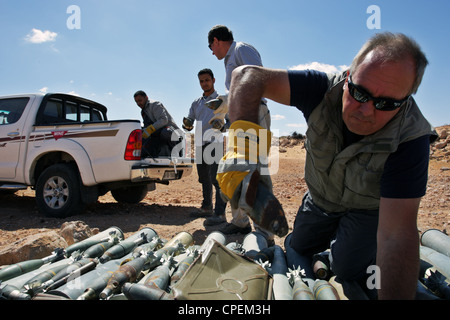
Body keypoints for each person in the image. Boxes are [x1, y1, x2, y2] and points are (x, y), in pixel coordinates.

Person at [218, 32, 437, 299]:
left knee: (347, 269)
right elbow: (246, 76)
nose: (365, 110)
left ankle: (344, 253)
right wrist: (243, 153)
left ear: (405, 102)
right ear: (347, 76)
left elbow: (396, 236)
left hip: (367, 211)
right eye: (359, 93)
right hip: (320, 200)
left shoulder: (411, 137)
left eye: (385, 104)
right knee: (296, 246)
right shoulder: (321, 90)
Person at [206, 25, 272, 239]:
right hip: (239, 117)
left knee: (257, 169)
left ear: (216, 40)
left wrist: (227, 101)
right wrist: (225, 110)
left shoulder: (241, 49)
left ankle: (265, 228)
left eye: (211, 46)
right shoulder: (229, 60)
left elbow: (258, 79)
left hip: (253, 113)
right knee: (236, 167)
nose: (212, 51)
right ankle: (240, 222)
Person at [184, 68, 227, 218]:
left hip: (215, 142)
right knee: (204, 178)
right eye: (201, 81)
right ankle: (207, 208)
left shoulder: (222, 100)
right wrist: (187, 125)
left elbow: (231, 120)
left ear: (214, 80)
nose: (204, 83)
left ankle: (220, 213)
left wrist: (223, 127)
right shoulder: (196, 103)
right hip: (200, 143)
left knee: (216, 178)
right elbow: (190, 120)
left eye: (207, 80)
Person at [134, 90, 180, 158]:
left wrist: (150, 129)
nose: (138, 103)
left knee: (166, 132)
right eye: (136, 102)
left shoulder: (155, 104)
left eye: (140, 100)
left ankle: (175, 153)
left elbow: (164, 120)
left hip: (171, 132)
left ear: (146, 98)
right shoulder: (143, 112)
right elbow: (147, 126)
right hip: (157, 133)